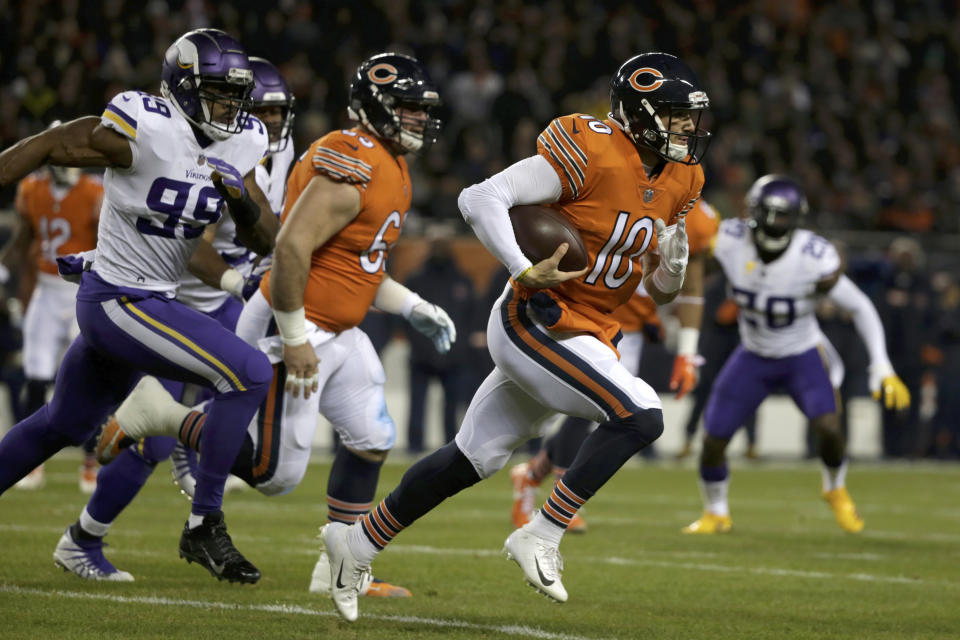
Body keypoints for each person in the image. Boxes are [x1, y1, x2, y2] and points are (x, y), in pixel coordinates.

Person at [316, 52, 712, 621]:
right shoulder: (593, 146)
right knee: (642, 413)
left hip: (593, 330)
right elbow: (479, 197)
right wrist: (522, 269)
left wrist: (670, 269)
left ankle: (356, 544)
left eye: (690, 117)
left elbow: (662, 289)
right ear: (639, 113)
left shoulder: (685, 177)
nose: (687, 129)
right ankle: (542, 531)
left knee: (471, 458)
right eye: (675, 116)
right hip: (539, 317)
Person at [97, 53, 455, 599]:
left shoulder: (392, 164)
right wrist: (293, 337)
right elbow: (289, 247)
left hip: (339, 329)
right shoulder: (351, 157)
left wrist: (412, 306)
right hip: (296, 323)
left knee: (372, 439)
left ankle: (337, 568)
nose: (415, 119)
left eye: (418, 109)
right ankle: (162, 413)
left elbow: (356, 270)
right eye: (405, 108)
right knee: (274, 474)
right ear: (375, 108)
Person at [0, 28, 279, 584]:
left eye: (235, 93)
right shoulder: (147, 126)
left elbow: (265, 238)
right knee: (249, 374)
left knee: (62, 422)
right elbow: (52, 145)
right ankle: (204, 523)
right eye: (218, 91)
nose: (230, 104)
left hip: (146, 301)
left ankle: (85, 541)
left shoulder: (240, 141)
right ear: (181, 88)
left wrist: (241, 200)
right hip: (119, 298)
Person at [682, 175, 911, 536]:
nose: (776, 224)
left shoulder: (812, 256)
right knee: (713, 439)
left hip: (800, 353)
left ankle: (834, 487)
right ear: (753, 214)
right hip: (753, 354)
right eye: (770, 215)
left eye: (784, 216)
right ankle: (716, 511)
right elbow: (692, 274)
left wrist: (881, 364)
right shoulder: (728, 240)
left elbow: (861, 307)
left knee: (829, 428)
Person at [510, 197, 718, 529]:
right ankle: (561, 498)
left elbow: (691, 289)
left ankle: (532, 476)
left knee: (601, 414)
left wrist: (687, 353)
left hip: (630, 331)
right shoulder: (612, 181)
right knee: (589, 409)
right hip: (584, 317)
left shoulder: (698, 216)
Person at [1, 147, 102, 492]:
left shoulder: (95, 192)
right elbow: (23, 239)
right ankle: (31, 464)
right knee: (36, 378)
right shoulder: (32, 190)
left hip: (81, 291)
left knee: (89, 378)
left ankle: (91, 461)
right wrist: (3, 272)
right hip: (45, 290)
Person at [403, 228, 475, 453]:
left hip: (454, 356)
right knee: (417, 404)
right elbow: (404, 316)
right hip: (421, 354)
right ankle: (414, 447)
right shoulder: (415, 279)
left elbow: (472, 316)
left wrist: (461, 344)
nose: (440, 249)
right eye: (436, 244)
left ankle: (450, 448)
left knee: (452, 407)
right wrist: (417, 342)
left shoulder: (463, 280)